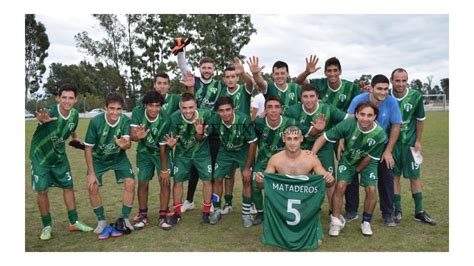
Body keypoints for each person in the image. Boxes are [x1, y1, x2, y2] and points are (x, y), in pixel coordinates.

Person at [312, 102, 387, 236]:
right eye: (362, 114)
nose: (365, 118)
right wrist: (312, 154)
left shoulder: (380, 135)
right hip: (348, 159)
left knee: (371, 189)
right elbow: (324, 137)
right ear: (357, 115)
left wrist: (357, 170)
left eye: (370, 115)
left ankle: (366, 222)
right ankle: (335, 221)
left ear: (375, 116)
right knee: (340, 185)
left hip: (367, 162)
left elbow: (369, 158)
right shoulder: (347, 124)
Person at [29, 84, 93, 241]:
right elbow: (42, 119)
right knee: (42, 191)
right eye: (64, 97)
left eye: (71, 98)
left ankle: (74, 222)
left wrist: (74, 137)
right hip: (41, 157)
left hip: (59, 157)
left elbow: (71, 128)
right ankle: (47, 226)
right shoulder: (50, 112)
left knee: (68, 187)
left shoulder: (75, 115)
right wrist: (41, 121)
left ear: (75, 99)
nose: (67, 101)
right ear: (58, 98)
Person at [255, 126, 334, 250]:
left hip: (305, 205)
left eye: (296, 138)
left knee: (317, 242)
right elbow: (264, 185)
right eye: (289, 138)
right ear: (284, 139)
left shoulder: (311, 159)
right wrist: (260, 180)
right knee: (275, 240)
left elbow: (327, 183)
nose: (292, 142)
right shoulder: (275, 159)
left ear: (301, 139)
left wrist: (329, 178)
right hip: (282, 205)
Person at [343, 74, 402, 227]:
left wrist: (388, 151)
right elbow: (348, 121)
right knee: (351, 173)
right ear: (371, 88)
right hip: (357, 145)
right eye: (379, 89)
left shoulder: (391, 102)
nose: (383, 92)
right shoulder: (359, 100)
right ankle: (351, 210)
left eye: (385, 89)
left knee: (387, 175)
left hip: (379, 146)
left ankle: (388, 213)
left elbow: (396, 126)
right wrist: (342, 141)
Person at [174, 39, 222, 213]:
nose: (207, 70)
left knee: (211, 169)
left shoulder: (219, 85)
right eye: (204, 67)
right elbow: (182, 65)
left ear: (213, 70)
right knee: (194, 165)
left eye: (210, 68)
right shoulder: (193, 80)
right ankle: (189, 200)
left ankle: (213, 203)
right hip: (193, 125)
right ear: (200, 68)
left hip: (213, 130)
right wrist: (181, 50)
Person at [284, 84, 347, 214]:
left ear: (317, 97)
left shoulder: (327, 108)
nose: (309, 100)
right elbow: (285, 124)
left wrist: (342, 137)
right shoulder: (293, 111)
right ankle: (301, 210)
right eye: (305, 97)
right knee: (301, 179)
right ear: (300, 98)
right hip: (302, 148)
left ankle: (333, 213)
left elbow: (348, 119)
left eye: (312, 96)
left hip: (324, 148)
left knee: (329, 180)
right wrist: (316, 129)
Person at [84, 93, 135, 239]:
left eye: (118, 109)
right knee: (92, 186)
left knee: (130, 182)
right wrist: (92, 173)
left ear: (122, 109)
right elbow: (88, 148)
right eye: (111, 108)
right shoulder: (96, 122)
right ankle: (101, 220)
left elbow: (128, 144)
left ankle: (125, 218)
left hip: (119, 158)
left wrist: (124, 145)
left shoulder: (125, 120)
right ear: (105, 108)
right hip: (98, 159)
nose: (115, 112)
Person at [390, 68, 437, 225]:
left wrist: (418, 140)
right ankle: (397, 210)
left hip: (410, 144)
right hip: (392, 145)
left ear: (407, 81)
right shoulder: (386, 96)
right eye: (397, 80)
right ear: (392, 81)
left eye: (404, 80)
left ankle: (419, 211)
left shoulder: (415, 96)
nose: (401, 83)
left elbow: (420, 118)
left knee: (415, 177)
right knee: (394, 177)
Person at [207, 96, 257, 227]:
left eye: (228, 110)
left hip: (243, 150)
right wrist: (199, 133)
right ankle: (216, 210)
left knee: (246, 179)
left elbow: (253, 143)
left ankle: (246, 214)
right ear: (217, 111)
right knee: (217, 178)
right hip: (225, 151)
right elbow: (202, 137)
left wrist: (247, 167)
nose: (225, 113)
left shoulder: (243, 120)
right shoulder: (214, 120)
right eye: (221, 110)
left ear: (233, 109)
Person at [165, 93, 214, 224]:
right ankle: (176, 213)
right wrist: (171, 145)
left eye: (191, 107)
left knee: (207, 180)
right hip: (182, 154)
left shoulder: (206, 115)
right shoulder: (174, 118)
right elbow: (171, 140)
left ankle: (206, 212)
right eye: (184, 108)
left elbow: (200, 138)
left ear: (196, 106)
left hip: (202, 154)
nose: (188, 111)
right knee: (178, 181)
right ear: (180, 107)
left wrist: (200, 133)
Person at [130, 90, 173, 230]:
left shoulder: (165, 119)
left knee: (165, 181)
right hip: (143, 152)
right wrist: (138, 136)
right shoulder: (137, 113)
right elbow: (132, 136)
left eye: (157, 106)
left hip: (161, 152)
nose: (154, 109)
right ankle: (143, 215)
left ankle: (163, 215)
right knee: (142, 182)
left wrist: (164, 169)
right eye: (151, 106)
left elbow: (162, 147)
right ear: (145, 106)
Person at [251, 95, 298, 225]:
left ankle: (282, 212)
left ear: (281, 110)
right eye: (269, 107)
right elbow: (251, 140)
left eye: (277, 107)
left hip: (284, 162)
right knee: (255, 184)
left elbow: (300, 139)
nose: (273, 110)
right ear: (265, 110)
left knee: (284, 187)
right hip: (263, 161)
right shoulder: (259, 123)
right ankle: (261, 212)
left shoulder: (290, 123)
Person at [217, 59, 255, 215]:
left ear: (237, 78)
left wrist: (244, 72)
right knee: (228, 175)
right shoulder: (222, 92)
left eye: (234, 76)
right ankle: (228, 203)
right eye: (228, 77)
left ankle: (250, 203)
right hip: (227, 139)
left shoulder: (244, 89)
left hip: (244, 138)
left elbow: (251, 84)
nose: (231, 79)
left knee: (247, 175)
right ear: (224, 79)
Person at [295, 55, 360, 112]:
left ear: (340, 72)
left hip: (343, 122)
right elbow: (298, 81)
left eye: (335, 70)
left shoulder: (352, 87)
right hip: (323, 122)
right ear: (325, 73)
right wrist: (307, 72)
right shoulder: (320, 83)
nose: (332, 74)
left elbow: (360, 106)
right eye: (329, 71)